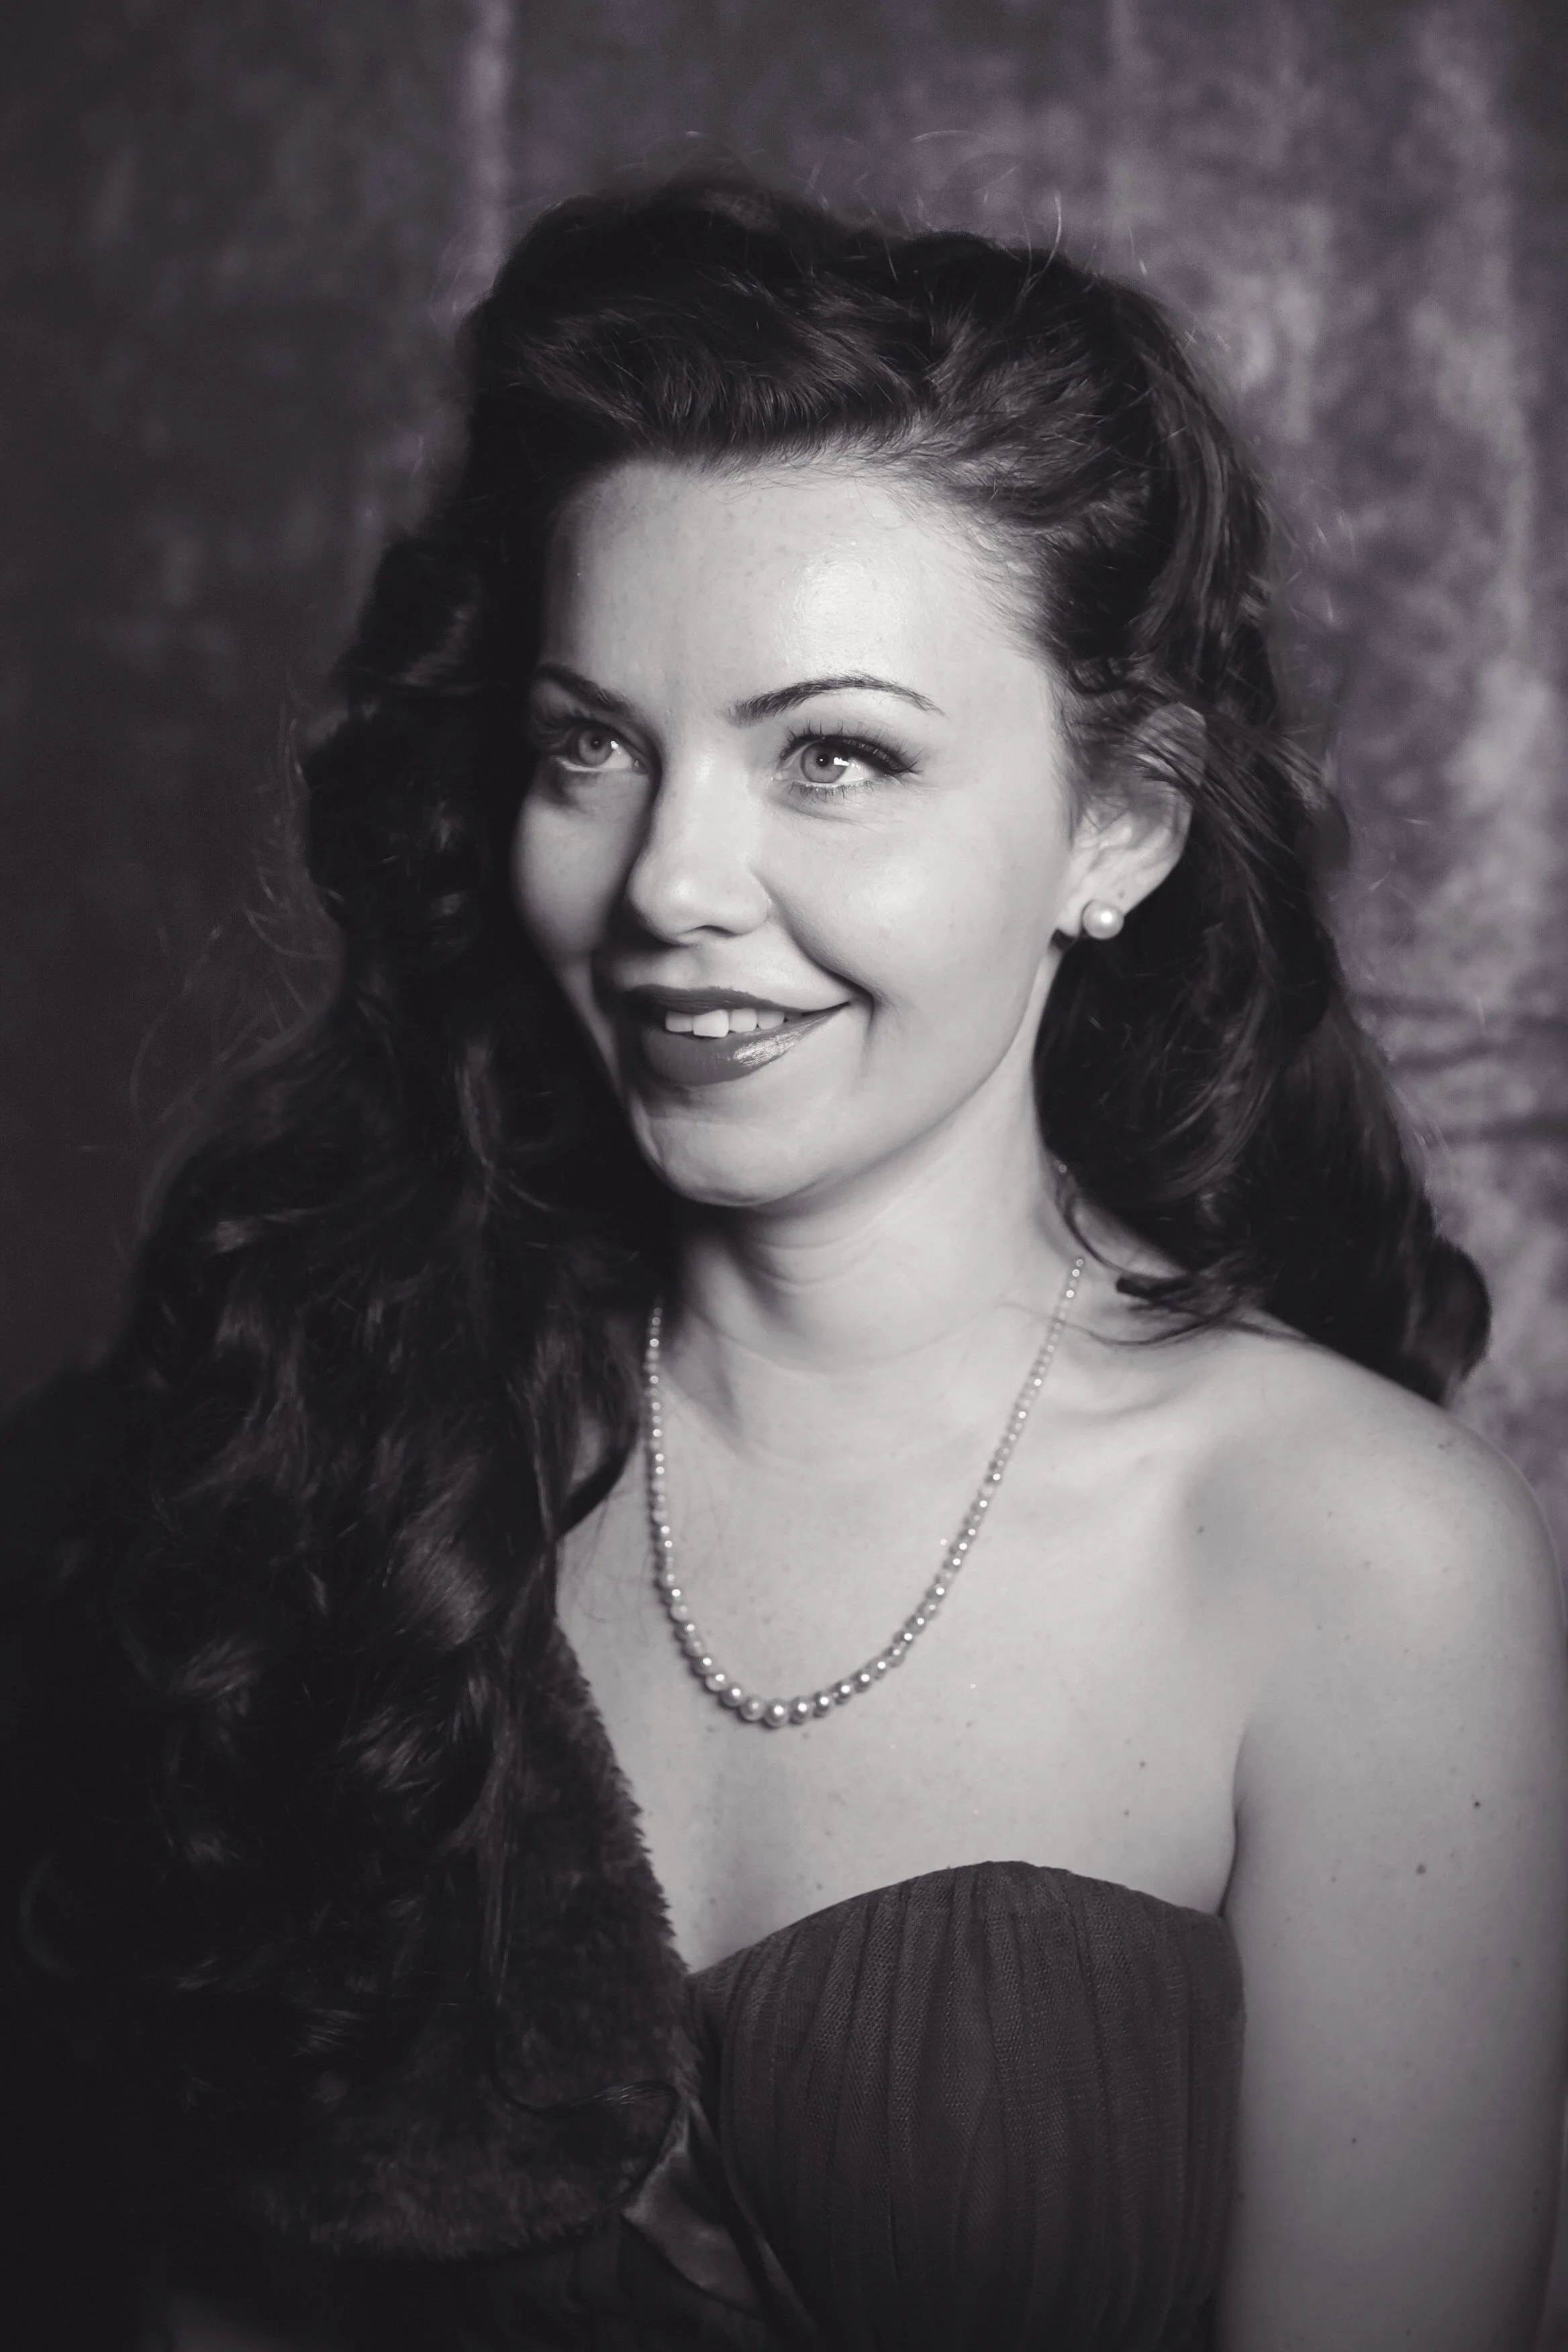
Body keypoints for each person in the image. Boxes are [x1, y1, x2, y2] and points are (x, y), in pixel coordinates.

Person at [3, 174, 1567, 2352]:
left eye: (833, 756)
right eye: (591, 747)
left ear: (1118, 824)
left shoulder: (1363, 1559)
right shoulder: (314, 1433)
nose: (671, 885)